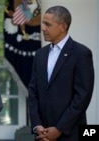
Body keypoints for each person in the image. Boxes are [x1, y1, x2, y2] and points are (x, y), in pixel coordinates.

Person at [28, 5, 94, 141]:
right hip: (42, 135)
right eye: (43, 23)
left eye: (48, 24)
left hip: (70, 134)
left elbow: (82, 97)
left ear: (63, 27)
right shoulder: (40, 54)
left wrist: (59, 129)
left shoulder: (81, 54)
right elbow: (33, 91)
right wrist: (37, 125)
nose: (43, 28)